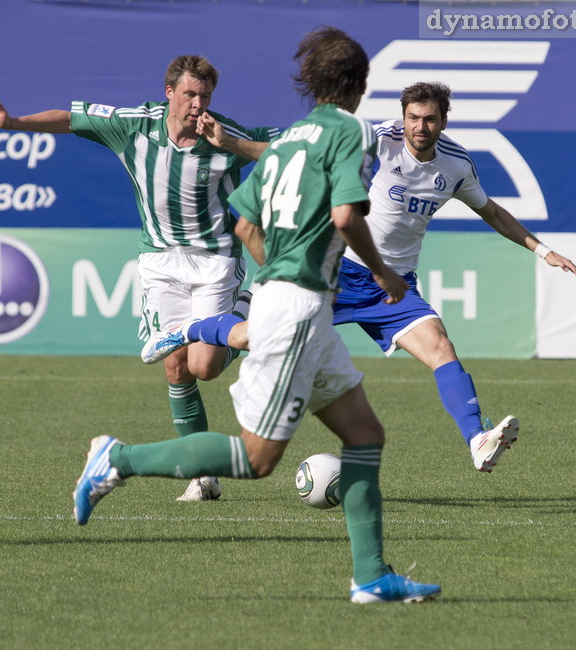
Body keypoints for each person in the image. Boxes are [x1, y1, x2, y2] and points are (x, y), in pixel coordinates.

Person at [73, 26, 442, 604]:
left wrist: (282, 275)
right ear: (360, 84)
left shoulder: (294, 138)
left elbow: (244, 223)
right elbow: (347, 218)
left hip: (301, 308)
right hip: (298, 311)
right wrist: (382, 272)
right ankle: (115, 459)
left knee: (366, 433)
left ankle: (371, 577)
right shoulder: (352, 131)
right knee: (256, 457)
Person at [148, 81, 576, 474]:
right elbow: (296, 156)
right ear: (403, 118)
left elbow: (490, 210)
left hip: (392, 289)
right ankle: (185, 329)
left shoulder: (455, 165)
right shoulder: (379, 141)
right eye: (413, 118)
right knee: (244, 341)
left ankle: (477, 439)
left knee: (440, 346)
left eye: (429, 119)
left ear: (442, 121)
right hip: (334, 271)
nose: (420, 127)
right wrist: (232, 143)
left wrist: (543, 250)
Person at [0, 56, 279, 501]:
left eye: (206, 96)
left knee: (205, 366)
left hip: (214, 261)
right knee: (175, 365)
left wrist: (232, 144)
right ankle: (201, 476)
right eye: (191, 94)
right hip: (159, 261)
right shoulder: (134, 126)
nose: (198, 104)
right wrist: (15, 122)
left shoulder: (223, 132)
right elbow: (71, 119)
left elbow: (292, 152)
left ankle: (251, 302)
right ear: (170, 93)